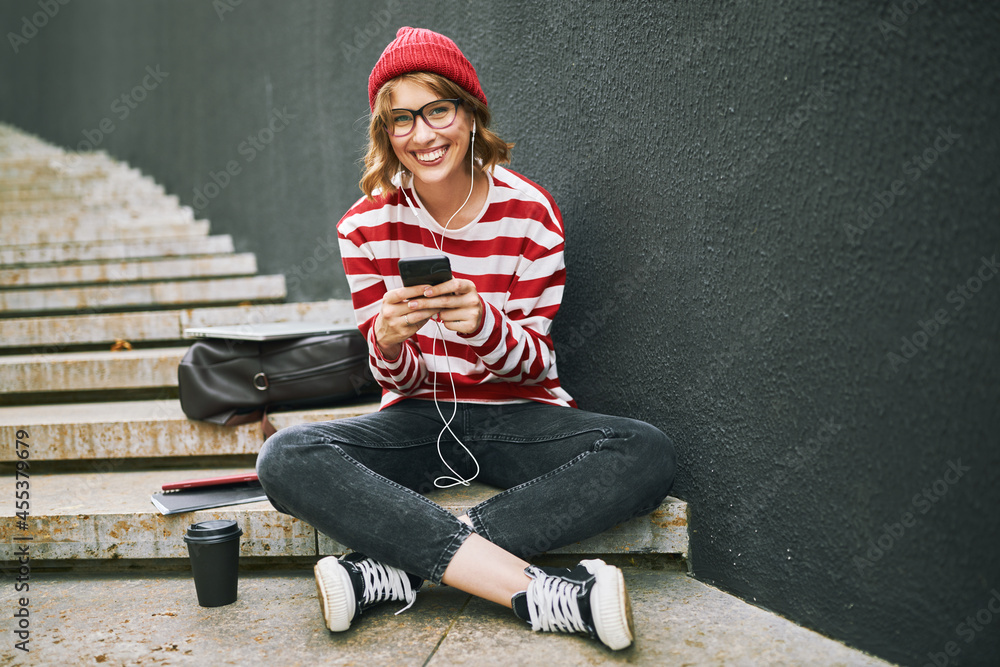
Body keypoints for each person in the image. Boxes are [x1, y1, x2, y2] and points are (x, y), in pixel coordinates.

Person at [256, 26, 676, 651]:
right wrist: (391, 344)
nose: (423, 135)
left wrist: (483, 326)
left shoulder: (530, 212)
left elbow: (536, 368)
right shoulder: (366, 225)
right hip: (418, 420)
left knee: (647, 453)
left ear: (470, 113)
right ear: (386, 133)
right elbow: (394, 381)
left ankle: (391, 570)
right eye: (402, 120)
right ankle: (542, 592)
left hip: (517, 416)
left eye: (437, 110)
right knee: (285, 456)